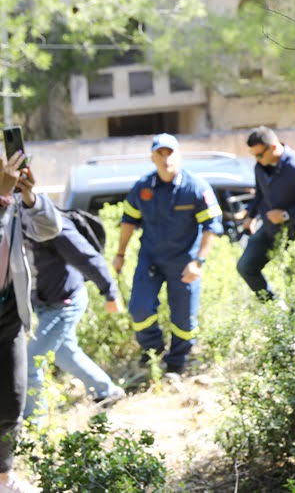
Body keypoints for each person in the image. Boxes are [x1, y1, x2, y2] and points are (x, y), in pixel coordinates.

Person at [114, 134, 222, 376]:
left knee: (183, 319)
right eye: (160, 154)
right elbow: (128, 221)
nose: (166, 159)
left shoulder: (195, 187)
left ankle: (177, 362)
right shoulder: (143, 187)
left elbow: (212, 227)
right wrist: (120, 254)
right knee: (140, 309)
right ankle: (153, 350)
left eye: (170, 153)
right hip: (150, 259)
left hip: (185, 262)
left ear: (179, 155)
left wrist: (198, 262)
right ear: (152, 158)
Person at [24, 200, 126, 422]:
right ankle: (107, 391)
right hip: (43, 302)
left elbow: (87, 257)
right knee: (65, 353)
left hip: (66, 302)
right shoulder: (13, 224)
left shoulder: (50, 224)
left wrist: (110, 293)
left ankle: (33, 426)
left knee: (30, 363)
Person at [0, 152, 63, 493]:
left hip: (9, 313)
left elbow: (49, 229)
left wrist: (29, 197)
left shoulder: (11, 200)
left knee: (11, 399)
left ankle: (3, 478)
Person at [237, 126, 295, 300]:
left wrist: (285, 215)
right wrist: (251, 216)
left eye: (260, 155)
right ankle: (274, 307)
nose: (257, 160)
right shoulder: (260, 167)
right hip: (269, 230)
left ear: (273, 147)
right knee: (246, 266)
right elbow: (260, 193)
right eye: (254, 155)